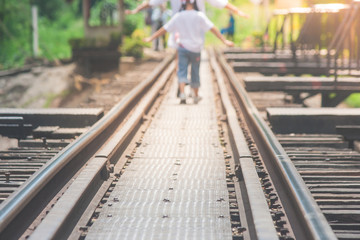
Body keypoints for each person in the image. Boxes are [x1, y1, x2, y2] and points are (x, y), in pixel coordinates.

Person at [144, 0, 234, 104]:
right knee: (195, 71)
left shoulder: (178, 16)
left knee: (182, 70)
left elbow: (164, 29)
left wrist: (151, 38)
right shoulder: (199, 15)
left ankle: (182, 94)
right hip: (195, 49)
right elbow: (212, 28)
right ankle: (195, 95)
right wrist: (224, 40)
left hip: (182, 48)